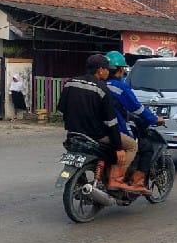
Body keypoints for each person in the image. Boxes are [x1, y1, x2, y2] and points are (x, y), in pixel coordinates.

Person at [57, 54, 136, 192]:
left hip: (73, 133)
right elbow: (111, 122)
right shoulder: (102, 88)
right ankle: (116, 180)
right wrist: (118, 148)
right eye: (107, 69)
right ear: (100, 70)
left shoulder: (70, 83)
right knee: (132, 146)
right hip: (95, 135)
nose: (108, 72)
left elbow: (62, 108)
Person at [103, 51, 158, 196]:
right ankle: (135, 182)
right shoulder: (119, 87)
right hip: (114, 128)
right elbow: (136, 108)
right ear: (120, 69)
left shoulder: (99, 83)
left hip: (96, 128)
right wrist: (154, 119)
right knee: (143, 146)